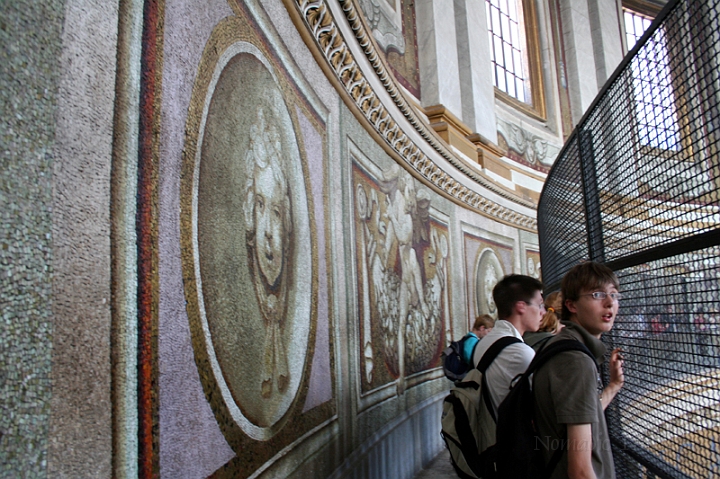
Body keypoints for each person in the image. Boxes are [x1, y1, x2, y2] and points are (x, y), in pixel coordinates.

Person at [533, 261, 625, 479]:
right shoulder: (575, 360)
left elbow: (581, 416)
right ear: (572, 305)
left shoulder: (563, 345)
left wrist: (613, 386)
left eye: (614, 295)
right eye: (597, 295)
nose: (610, 303)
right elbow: (580, 472)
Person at [472, 274, 544, 416]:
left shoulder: (484, 342)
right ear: (521, 307)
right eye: (540, 304)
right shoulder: (520, 353)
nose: (543, 312)